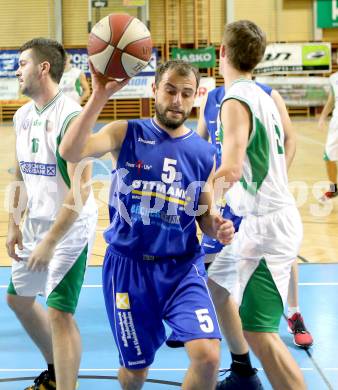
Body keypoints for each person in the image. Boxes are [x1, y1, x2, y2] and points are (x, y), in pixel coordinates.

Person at [59, 59, 235, 390]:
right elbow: (71, 150)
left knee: (208, 356)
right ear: (155, 89)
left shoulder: (204, 153)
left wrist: (218, 226)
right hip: (129, 268)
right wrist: (98, 96)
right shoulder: (126, 132)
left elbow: (205, 217)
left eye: (186, 93)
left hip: (182, 268)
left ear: (196, 96)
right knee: (136, 371)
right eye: (170, 90)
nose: (177, 100)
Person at [211, 20, 306, 390]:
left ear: (222, 53)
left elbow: (232, 167)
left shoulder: (235, 100)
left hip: (267, 227)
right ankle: (242, 374)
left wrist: (203, 204)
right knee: (218, 287)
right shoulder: (263, 96)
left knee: (260, 331)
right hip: (257, 222)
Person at [6, 38, 98, 390]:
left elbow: (81, 189)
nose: (18, 70)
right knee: (18, 300)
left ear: (43, 68)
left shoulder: (71, 116)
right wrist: (14, 225)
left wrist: (50, 240)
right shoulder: (22, 115)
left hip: (69, 227)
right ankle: (56, 372)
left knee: (60, 312)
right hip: (35, 225)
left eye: (23, 63)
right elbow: (20, 174)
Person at [318, 71, 338, 202]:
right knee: (329, 156)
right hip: (336, 122)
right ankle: (333, 189)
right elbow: (332, 100)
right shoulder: (334, 78)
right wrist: (322, 117)